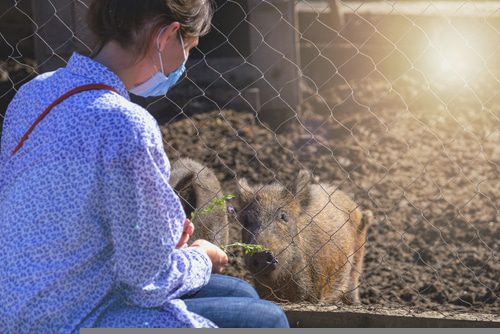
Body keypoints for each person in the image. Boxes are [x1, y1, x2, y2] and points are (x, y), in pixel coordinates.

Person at [0, 0, 290, 331]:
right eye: (190, 48)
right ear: (167, 35)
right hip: (69, 318)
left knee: (238, 292)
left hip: (19, 302)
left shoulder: (36, 92)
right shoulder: (126, 124)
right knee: (268, 320)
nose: (184, 63)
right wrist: (200, 256)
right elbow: (147, 277)